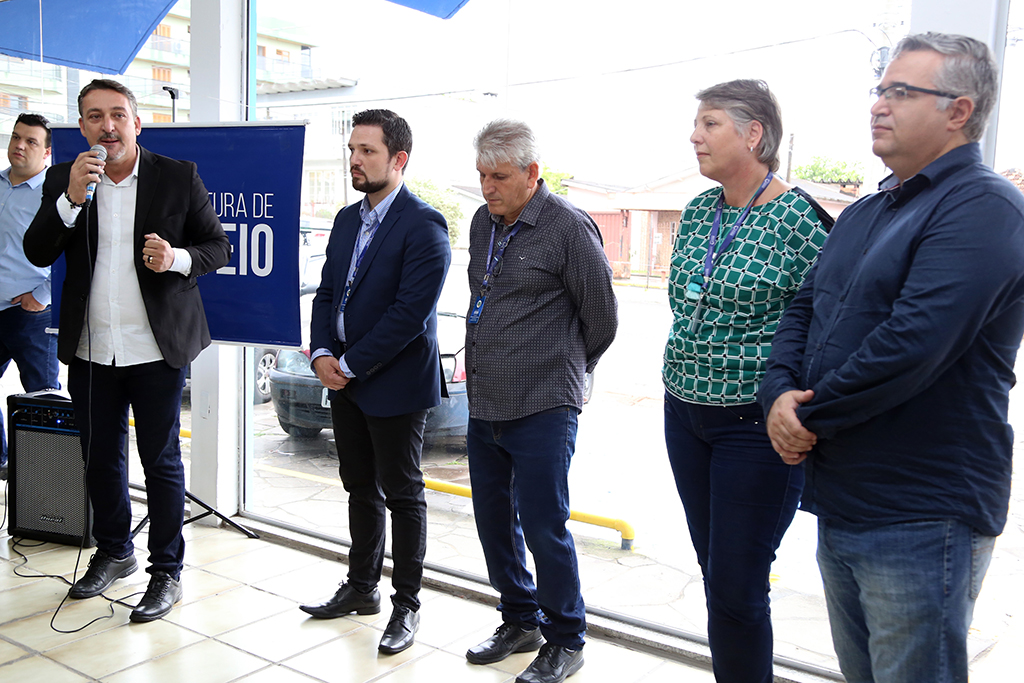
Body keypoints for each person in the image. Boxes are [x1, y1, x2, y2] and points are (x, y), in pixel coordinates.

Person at [760, 33, 1024, 683]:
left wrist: (808, 417)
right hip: (846, 495)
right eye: (880, 90)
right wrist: (775, 396)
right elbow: (803, 307)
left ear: (959, 111)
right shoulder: (869, 211)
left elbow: (913, 345)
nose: (879, 105)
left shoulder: (984, 207)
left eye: (902, 92)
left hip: (921, 509)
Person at [24, 79, 230, 622]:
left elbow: (217, 246)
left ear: (137, 124)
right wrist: (70, 199)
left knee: (160, 461)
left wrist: (178, 258)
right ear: (82, 126)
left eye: (117, 115)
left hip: (156, 347)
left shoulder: (176, 176)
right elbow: (38, 249)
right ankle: (116, 551)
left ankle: (167, 573)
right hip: (92, 348)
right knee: (100, 458)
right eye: (94, 117)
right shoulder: (66, 181)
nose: (107, 126)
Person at [662, 79, 830, 683]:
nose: (694, 136)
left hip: (752, 426)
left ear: (753, 133)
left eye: (709, 124)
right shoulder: (702, 210)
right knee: (717, 574)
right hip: (683, 413)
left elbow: (829, 324)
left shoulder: (799, 219)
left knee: (737, 584)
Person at [463, 119, 617, 683]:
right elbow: (482, 297)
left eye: (499, 176)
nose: (487, 187)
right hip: (486, 399)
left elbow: (602, 318)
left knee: (544, 524)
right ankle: (519, 619)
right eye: (481, 175)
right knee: (493, 522)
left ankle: (566, 639)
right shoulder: (483, 223)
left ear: (532, 173)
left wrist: (566, 372)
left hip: (545, 403)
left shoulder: (569, 228)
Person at [300, 109, 450, 656]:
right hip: (343, 379)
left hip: (392, 382)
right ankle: (361, 588)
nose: (355, 160)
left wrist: (351, 363)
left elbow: (411, 313)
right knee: (358, 487)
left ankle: (406, 606)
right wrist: (321, 353)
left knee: (403, 494)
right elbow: (324, 294)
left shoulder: (424, 224)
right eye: (352, 150)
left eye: (367, 151)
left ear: (398, 159)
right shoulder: (344, 219)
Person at [1, 113, 60, 481]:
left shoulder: (53, 195)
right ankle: (2, 464)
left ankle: (49, 481)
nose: (20, 145)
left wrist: (42, 295)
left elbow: (71, 252)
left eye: (32, 141)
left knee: (41, 397)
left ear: (47, 152)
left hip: (31, 314)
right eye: (16, 137)